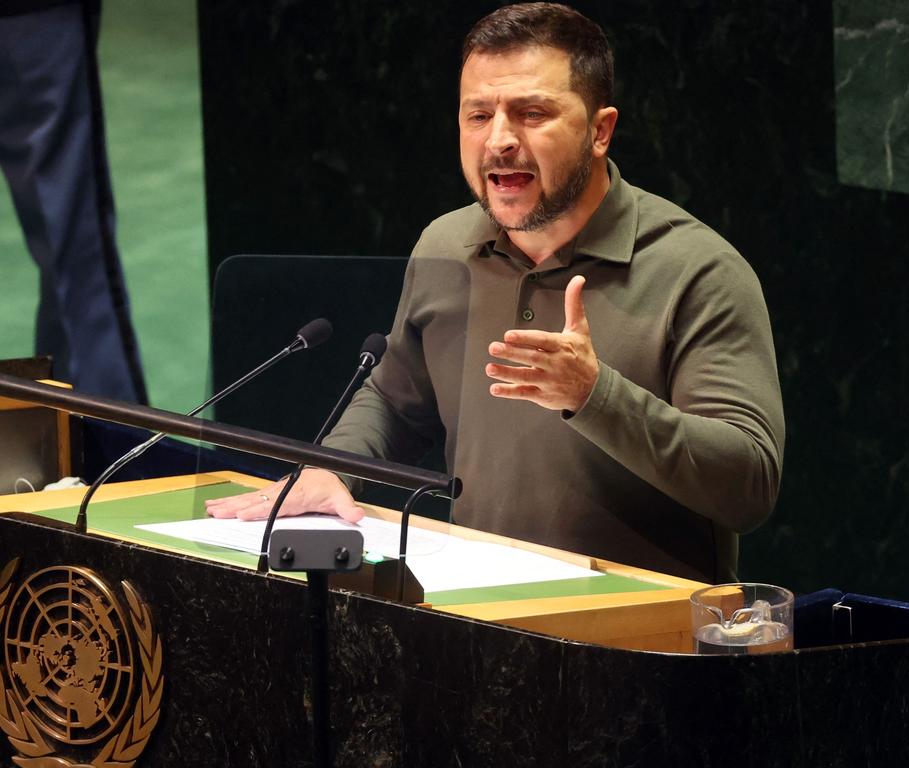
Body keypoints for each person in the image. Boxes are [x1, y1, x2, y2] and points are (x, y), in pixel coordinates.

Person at [207, 2, 784, 583]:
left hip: (639, 639)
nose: (500, 140)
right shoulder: (445, 244)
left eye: (531, 113)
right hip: (477, 621)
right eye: (478, 115)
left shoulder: (698, 270)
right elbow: (396, 403)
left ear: (601, 130)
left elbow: (748, 486)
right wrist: (337, 469)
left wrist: (594, 395)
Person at [0, 0, 147, 403]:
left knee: (69, 252)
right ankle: (123, 451)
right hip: (32, 20)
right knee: (77, 257)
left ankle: (62, 430)